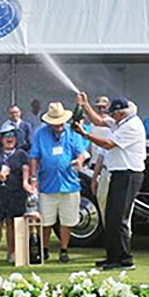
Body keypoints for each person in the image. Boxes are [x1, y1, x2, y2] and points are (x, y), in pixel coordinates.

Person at [77, 94, 147, 271]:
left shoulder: (131, 126)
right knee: (111, 216)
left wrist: (85, 134)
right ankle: (113, 257)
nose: (110, 116)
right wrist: (85, 105)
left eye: (112, 113)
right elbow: (100, 121)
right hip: (120, 173)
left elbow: (108, 144)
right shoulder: (122, 122)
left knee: (119, 218)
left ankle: (124, 259)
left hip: (129, 174)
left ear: (121, 113)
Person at [27, 102, 88, 263]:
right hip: (47, 184)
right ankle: (45, 249)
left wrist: (79, 161)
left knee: (67, 221)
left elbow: (81, 153)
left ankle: (64, 249)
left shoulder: (72, 133)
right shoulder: (40, 134)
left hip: (69, 184)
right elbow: (34, 156)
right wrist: (33, 177)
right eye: (55, 123)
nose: (58, 126)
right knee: (46, 221)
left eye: (60, 122)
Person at [0, 123, 29, 263]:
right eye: (6, 136)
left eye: (12, 135)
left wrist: (26, 182)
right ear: (1, 139)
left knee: (12, 223)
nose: (10, 138)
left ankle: (12, 253)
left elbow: (26, 169)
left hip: (15, 193)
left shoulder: (21, 154)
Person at [88, 96, 114, 216]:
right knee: (97, 197)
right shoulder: (92, 124)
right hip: (95, 163)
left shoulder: (111, 124)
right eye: (99, 107)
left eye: (104, 107)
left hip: (107, 166)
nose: (101, 110)